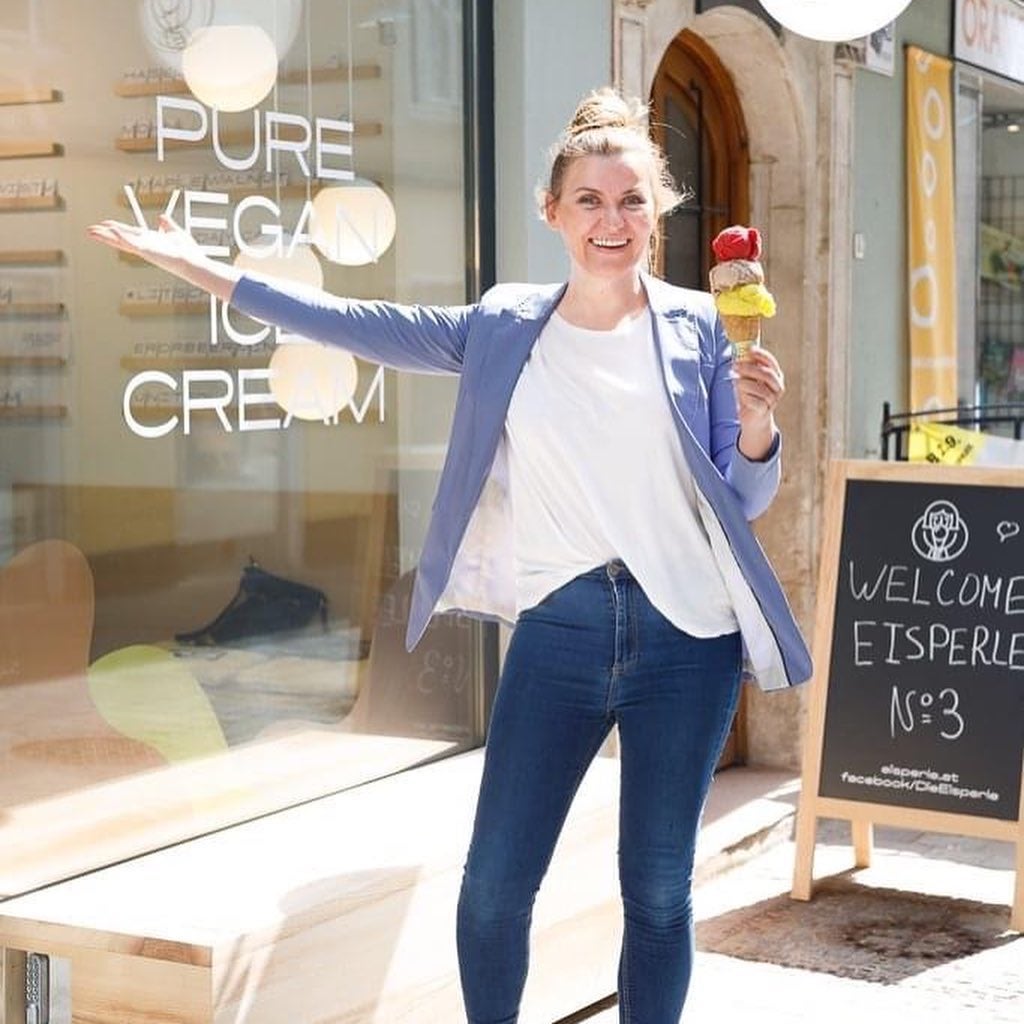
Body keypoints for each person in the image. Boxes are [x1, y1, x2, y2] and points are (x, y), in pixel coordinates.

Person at [90, 87, 811, 1024]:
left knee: (657, 891)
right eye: (589, 200)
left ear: (657, 213)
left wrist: (757, 426)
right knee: (494, 889)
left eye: (632, 200)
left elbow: (741, 496)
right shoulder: (505, 327)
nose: (612, 220)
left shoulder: (701, 327)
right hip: (560, 632)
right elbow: (356, 322)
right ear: (552, 212)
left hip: (687, 639)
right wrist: (206, 271)